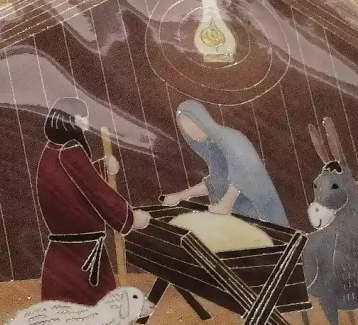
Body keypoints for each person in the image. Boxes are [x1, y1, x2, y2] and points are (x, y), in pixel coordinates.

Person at [36, 97, 149, 305]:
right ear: (72, 120)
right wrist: (130, 217)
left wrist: (102, 167)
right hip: (82, 251)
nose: (87, 123)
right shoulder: (70, 150)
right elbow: (96, 191)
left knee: (62, 305)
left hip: (65, 249)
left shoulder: (52, 150)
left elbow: (73, 183)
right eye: (83, 118)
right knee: (94, 306)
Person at [162, 100, 288, 225]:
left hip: (262, 216)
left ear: (202, 119)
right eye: (185, 128)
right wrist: (180, 196)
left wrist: (225, 204)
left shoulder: (231, 139)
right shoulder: (213, 146)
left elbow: (243, 175)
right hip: (240, 216)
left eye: (193, 124)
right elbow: (216, 182)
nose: (191, 132)